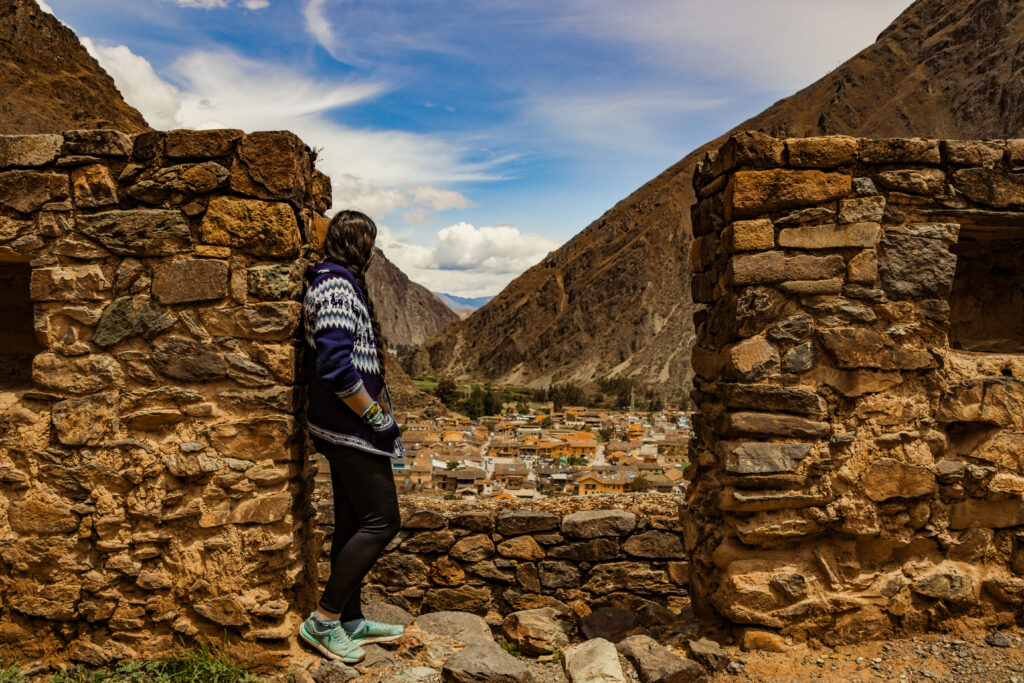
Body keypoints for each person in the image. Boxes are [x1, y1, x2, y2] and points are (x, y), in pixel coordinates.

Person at [297, 209, 407, 663]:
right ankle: (323, 621)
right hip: (351, 430)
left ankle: (350, 618)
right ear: (361, 247)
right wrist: (376, 417)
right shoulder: (338, 287)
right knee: (383, 521)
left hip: (345, 429)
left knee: (352, 523)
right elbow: (336, 364)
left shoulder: (332, 281)